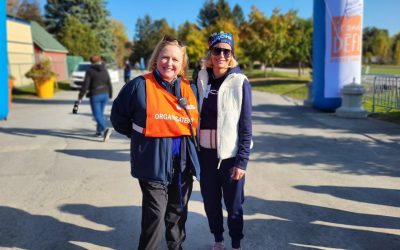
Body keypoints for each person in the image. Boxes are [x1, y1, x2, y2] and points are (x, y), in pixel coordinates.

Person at [110, 35, 201, 250]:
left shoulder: (191, 90)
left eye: (175, 60)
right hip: (152, 164)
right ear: (156, 59)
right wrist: (140, 138)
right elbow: (118, 118)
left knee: (177, 212)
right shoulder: (139, 86)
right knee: (155, 216)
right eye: (165, 57)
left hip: (183, 166)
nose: (169, 63)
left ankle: (175, 247)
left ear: (182, 65)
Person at [195, 31, 252, 250]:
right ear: (210, 52)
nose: (221, 55)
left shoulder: (239, 82)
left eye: (226, 51)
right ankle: (218, 240)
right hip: (206, 155)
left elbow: (246, 126)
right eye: (217, 50)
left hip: (229, 157)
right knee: (210, 203)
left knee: (234, 204)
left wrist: (242, 161)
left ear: (232, 54)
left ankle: (236, 243)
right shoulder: (200, 78)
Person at [78, 55, 113, 142]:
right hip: (105, 94)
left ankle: (105, 129)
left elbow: (85, 85)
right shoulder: (104, 69)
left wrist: (80, 96)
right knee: (100, 114)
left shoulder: (90, 71)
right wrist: (110, 94)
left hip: (95, 95)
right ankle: (99, 132)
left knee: (97, 115)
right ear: (100, 60)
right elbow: (109, 82)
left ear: (91, 62)